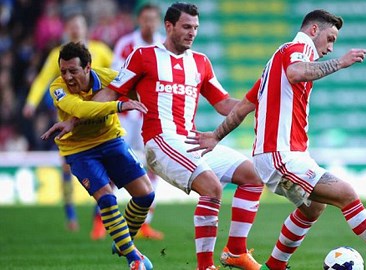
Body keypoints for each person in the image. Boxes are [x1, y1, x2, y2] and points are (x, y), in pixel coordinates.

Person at [186, 9, 366, 270]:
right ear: (314, 30)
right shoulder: (298, 48)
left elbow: (242, 107)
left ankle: (273, 266)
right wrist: (340, 63)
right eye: (330, 39)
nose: (330, 48)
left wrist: (216, 136)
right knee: (346, 194)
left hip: (282, 154)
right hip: (280, 154)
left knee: (313, 208)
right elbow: (297, 72)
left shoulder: (275, 62)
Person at [89, 3, 265, 270]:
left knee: (252, 176)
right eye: (186, 26)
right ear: (168, 26)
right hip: (159, 140)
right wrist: (76, 115)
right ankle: (205, 266)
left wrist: (259, 102)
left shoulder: (201, 62)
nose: (192, 32)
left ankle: (235, 251)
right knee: (212, 188)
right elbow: (112, 92)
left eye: (195, 27)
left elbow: (223, 103)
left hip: (190, 140)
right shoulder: (143, 56)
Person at [40, 42, 153, 270]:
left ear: (88, 67)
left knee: (145, 196)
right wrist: (119, 105)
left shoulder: (110, 78)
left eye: (73, 71)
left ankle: (123, 243)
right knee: (106, 198)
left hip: (111, 140)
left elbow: (142, 90)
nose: (68, 77)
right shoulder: (57, 88)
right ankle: (134, 259)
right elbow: (81, 110)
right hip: (79, 150)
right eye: (64, 71)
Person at [23, 12, 113, 237]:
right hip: (69, 122)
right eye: (71, 26)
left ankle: (98, 218)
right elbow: (43, 79)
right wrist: (31, 103)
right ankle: (70, 214)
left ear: (85, 29)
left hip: (99, 121)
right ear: (67, 29)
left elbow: (119, 76)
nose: (75, 30)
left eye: (78, 26)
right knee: (67, 169)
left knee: (106, 170)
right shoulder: (58, 55)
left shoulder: (100, 51)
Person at [111, 2, 165, 241]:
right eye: (145, 19)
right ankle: (102, 219)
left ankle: (145, 222)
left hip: (150, 116)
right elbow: (116, 77)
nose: (149, 23)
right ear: (138, 20)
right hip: (126, 116)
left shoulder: (164, 45)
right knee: (116, 164)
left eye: (153, 19)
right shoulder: (125, 44)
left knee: (152, 166)